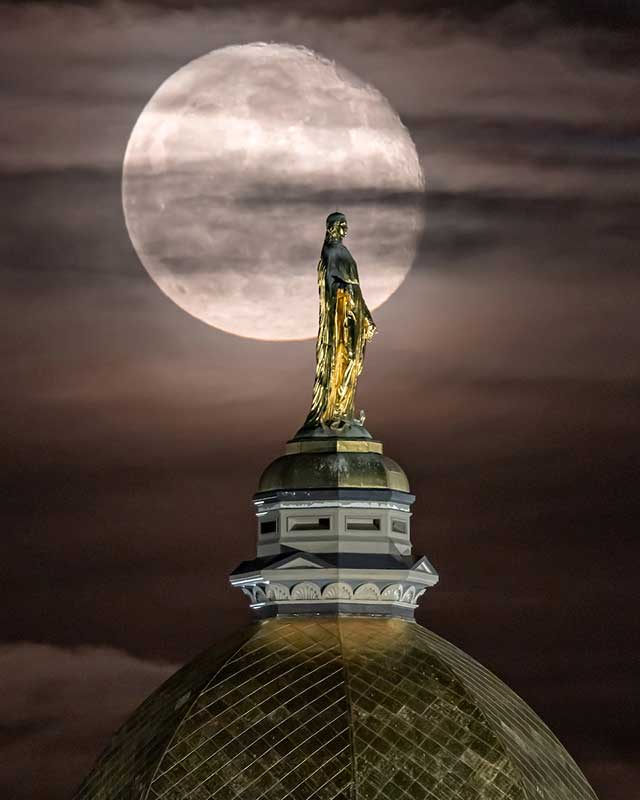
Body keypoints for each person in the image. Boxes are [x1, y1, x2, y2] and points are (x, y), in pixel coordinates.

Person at [304, 212, 377, 431]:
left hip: (354, 310)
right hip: (341, 314)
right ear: (331, 228)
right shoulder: (330, 251)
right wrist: (343, 291)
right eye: (341, 225)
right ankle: (334, 410)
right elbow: (331, 285)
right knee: (342, 357)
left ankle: (345, 410)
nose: (345, 230)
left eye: (346, 225)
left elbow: (357, 288)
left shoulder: (345, 251)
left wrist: (367, 318)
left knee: (354, 361)